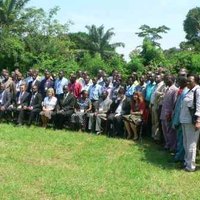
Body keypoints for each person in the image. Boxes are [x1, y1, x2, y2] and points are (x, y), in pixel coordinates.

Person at [180, 74, 200, 172]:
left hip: (192, 122)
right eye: (187, 81)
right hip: (184, 120)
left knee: (191, 144)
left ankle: (191, 166)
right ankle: (186, 162)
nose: (187, 82)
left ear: (195, 81)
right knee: (186, 143)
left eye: (189, 81)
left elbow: (199, 106)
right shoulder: (189, 91)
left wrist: (198, 121)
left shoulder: (198, 90)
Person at [172, 76, 188, 162]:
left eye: (179, 82)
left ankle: (179, 157)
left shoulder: (185, 92)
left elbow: (180, 109)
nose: (178, 84)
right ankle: (179, 155)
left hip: (180, 120)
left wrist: (176, 121)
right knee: (179, 139)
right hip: (179, 118)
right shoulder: (183, 91)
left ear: (184, 83)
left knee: (181, 140)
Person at [160, 75, 178, 152]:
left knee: (170, 132)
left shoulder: (175, 90)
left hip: (169, 115)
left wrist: (171, 114)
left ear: (172, 80)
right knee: (165, 130)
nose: (166, 80)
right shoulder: (167, 89)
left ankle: (172, 147)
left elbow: (175, 104)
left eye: (168, 79)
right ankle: (167, 144)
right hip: (163, 113)